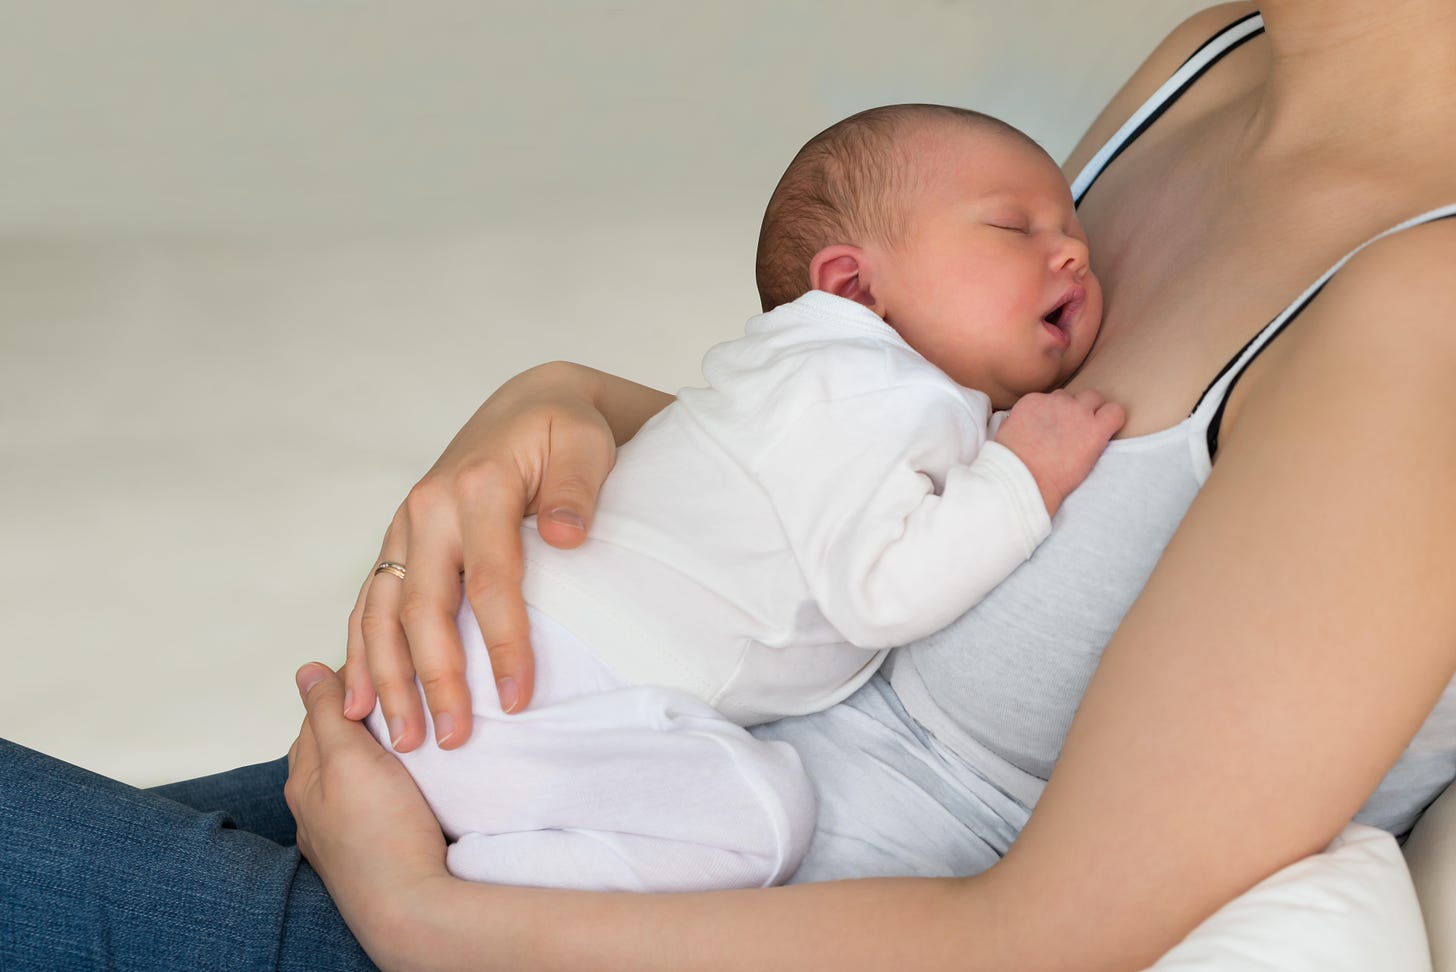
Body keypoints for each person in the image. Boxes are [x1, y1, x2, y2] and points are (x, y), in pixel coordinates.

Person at [3, 3, 1454, 970]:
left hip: (659, 918)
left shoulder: (1424, 302)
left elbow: (1046, 935)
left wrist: (429, 917)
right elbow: (921, 442)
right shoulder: (1221, 59)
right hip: (606, 777)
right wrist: (559, 399)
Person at [366, 103, 1122, 892]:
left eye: (1075, 235)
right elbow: (882, 596)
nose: (1071, 250)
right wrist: (1021, 476)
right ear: (854, 286)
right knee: (768, 815)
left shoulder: (794, 377)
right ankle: (492, 878)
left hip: (457, 675)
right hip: (532, 702)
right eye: (1013, 228)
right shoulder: (882, 391)